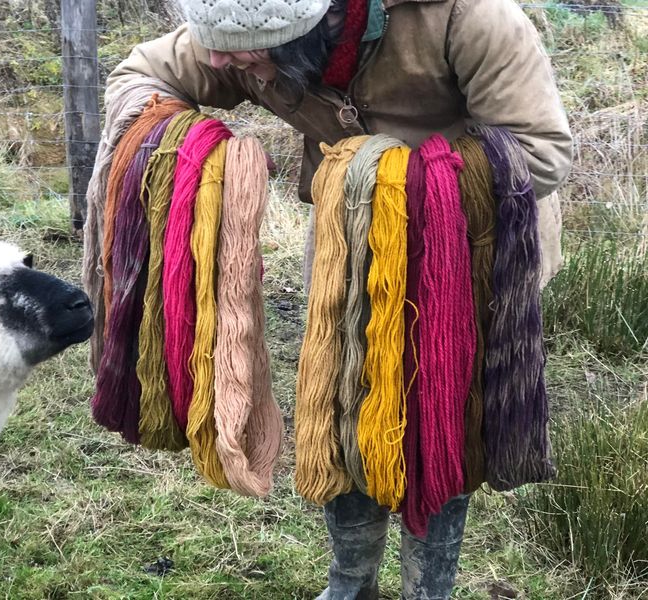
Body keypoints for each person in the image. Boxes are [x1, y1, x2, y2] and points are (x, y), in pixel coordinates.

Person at [103, 0, 572, 598]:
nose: (218, 60)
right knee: (344, 404)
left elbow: (542, 152)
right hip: (347, 252)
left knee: (443, 420)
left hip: (470, 251)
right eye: (212, 44)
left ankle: (428, 591)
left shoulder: (467, 17)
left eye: (236, 50)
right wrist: (204, 158)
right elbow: (138, 78)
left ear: (308, 33)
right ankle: (350, 584)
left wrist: (377, 179)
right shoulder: (241, 30)